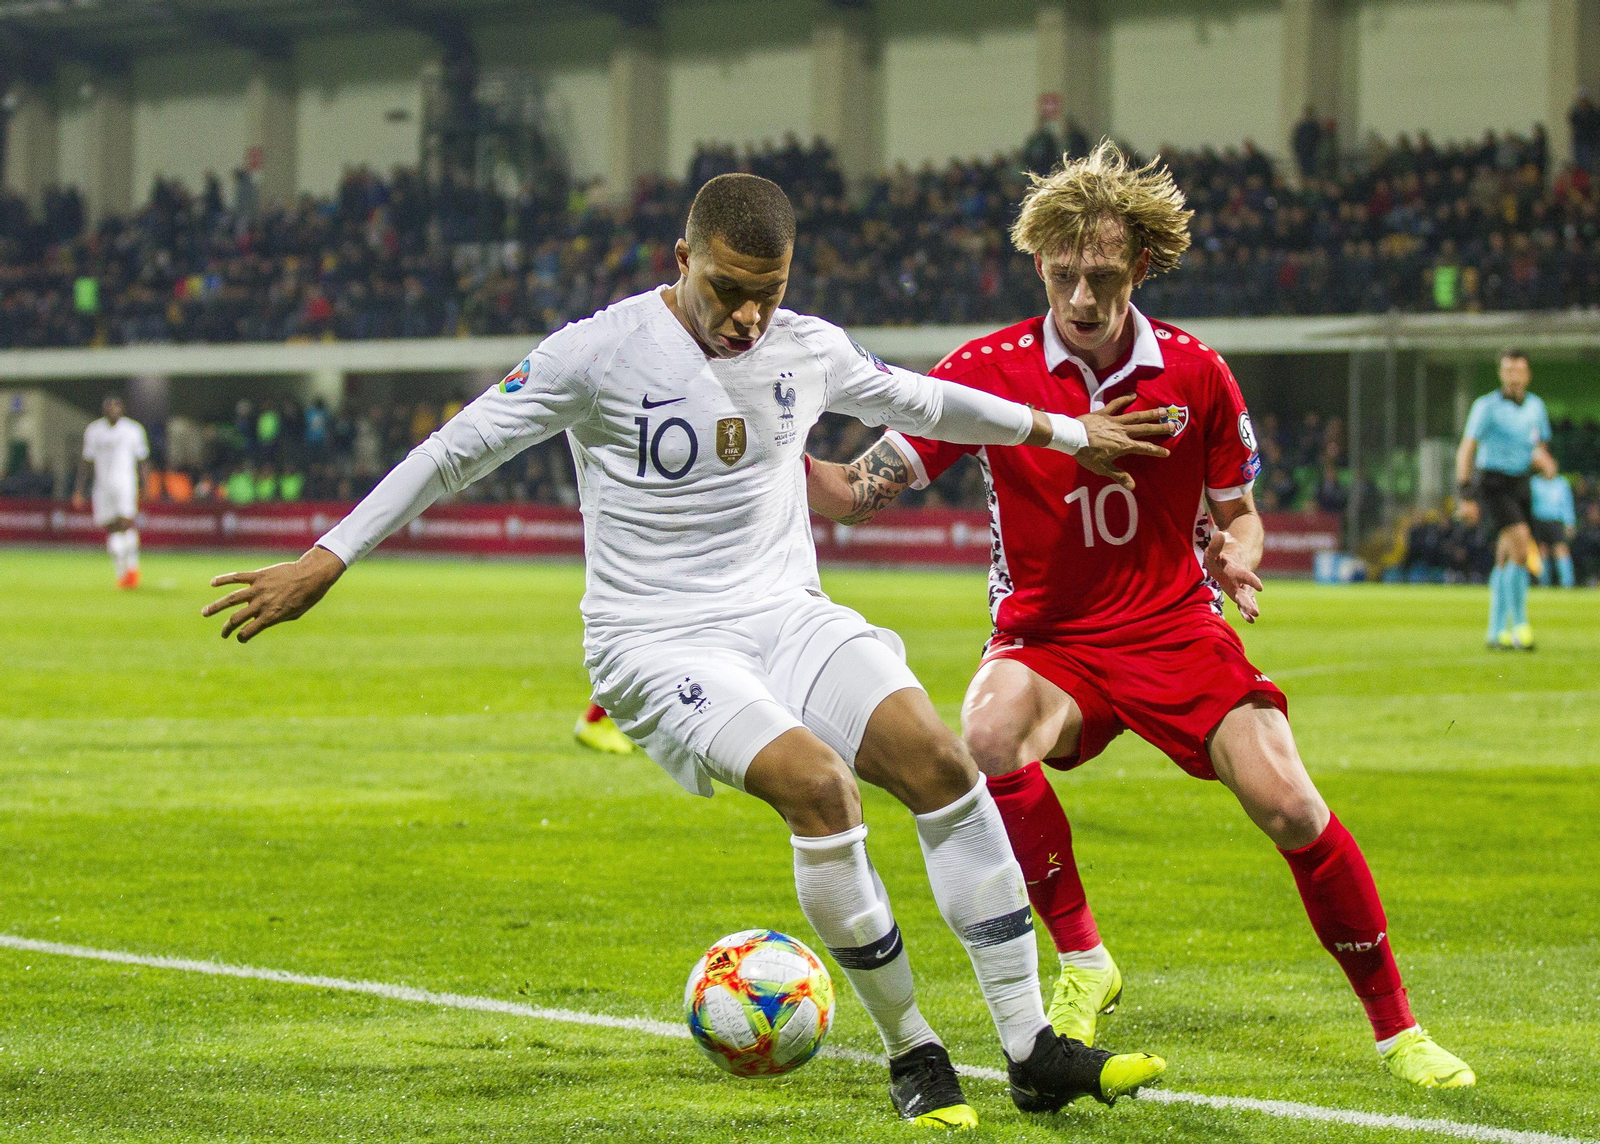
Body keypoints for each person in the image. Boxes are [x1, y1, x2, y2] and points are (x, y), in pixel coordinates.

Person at [200, 173, 1170, 1127]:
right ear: (682, 261)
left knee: (943, 765)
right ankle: (912, 1049)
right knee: (820, 787)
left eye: (769, 292)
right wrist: (328, 556)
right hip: (657, 642)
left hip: (785, 612)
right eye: (727, 291)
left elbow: (926, 402)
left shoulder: (805, 345)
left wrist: (1064, 431)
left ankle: (1029, 1048)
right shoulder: (598, 352)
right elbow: (455, 449)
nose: (748, 318)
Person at [807, 141, 1476, 1090]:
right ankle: (1084, 958)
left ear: (1143, 267)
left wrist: (1236, 556)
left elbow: (1240, 513)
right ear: (1038, 262)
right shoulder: (986, 370)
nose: (1083, 298)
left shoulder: (1196, 373)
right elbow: (852, 492)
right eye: (1066, 274)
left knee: (1290, 801)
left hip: (1174, 626)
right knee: (987, 733)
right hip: (1048, 640)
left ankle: (1399, 1030)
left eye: (1105, 276)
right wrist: (752, 448)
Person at [1455, 350, 1552, 650]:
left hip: (1520, 482)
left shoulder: (1536, 407)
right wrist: (1466, 495)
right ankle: (1521, 625)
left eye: (1518, 370)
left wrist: (1545, 461)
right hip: (1493, 483)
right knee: (1522, 546)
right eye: (1507, 370)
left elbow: (1535, 444)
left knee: (1506, 556)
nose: (1513, 376)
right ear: (1501, 374)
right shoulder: (1486, 407)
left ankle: (1495, 632)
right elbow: (1466, 450)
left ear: (1527, 374)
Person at [73, 395, 149, 590]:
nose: (113, 410)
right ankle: (121, 573)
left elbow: (142, 460)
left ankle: (132, 569)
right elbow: (86, 461)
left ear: (122, 410)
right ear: (104, 410)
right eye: (110, 407)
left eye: (117, 407)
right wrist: (79, 490)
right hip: (103, 486)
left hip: (125, 484)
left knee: (126, 523)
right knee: (111, 528)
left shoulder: (133, 430)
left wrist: (145, 486)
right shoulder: (94, 430)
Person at [1529, 459, 1577, 589]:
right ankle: (1544, 584)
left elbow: (1567, 505)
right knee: (1542, 552)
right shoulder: (1535, 483)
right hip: (1539, 521)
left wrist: (1569, 523)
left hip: (1556, 521)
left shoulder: (1562, 484)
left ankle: (1567, 584)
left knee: (1561, 550)